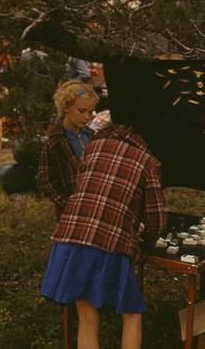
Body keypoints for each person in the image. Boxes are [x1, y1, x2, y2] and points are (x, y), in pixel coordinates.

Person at [40, 124, 168, 349]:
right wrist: (143, 247)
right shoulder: (149, 162)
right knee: (132, 313)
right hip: (108, 243)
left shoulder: (93, 147)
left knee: (88, 319)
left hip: (70, 236)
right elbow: (157, 221)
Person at [37, 81, 99, 221]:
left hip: (94, 205)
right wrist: (66, 204)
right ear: (65, 108)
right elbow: (46, 181)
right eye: (82, 111)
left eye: (90, 112)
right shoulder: (55, 143)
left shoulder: (93, 136)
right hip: (70, 212)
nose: (87, 117)